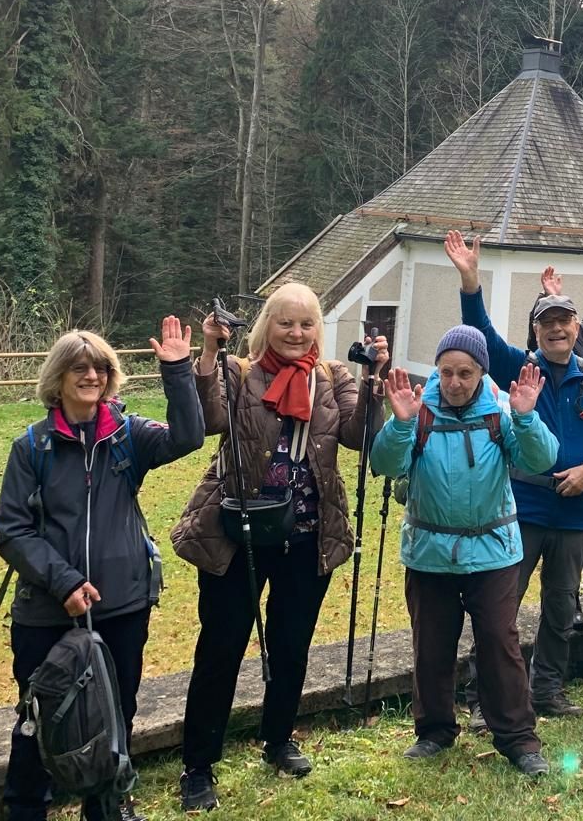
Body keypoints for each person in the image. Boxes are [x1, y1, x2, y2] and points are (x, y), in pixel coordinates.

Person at [172, 284, 387, 811]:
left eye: (306, 324)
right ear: (267, 325)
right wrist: (207, 353)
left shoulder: (333, 378)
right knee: (221, 649)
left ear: (318, 329)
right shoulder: (242, 373)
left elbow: (362, 436)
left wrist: (373, 381)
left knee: (292, 645)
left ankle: (278, 737)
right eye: (286, 323)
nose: (296, 334)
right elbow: (211, 420)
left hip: (309, 533)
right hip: (237, 534)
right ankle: (198, 764)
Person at [0, 320, 204, 821]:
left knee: (116, 709)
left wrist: (177, 370)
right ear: (59, 377)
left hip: (122, 603)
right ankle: (26, 807)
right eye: (78, 367)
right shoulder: (33, 447)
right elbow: (12, 530)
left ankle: (107, 803)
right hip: (47, 609)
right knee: (39, 711)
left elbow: (190, 437)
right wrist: (64, 581)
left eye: (100, 367)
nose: (90, 375)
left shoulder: (128, 437)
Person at [445, 230, 583, 717]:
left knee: (559, 609)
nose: (556, 330)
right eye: (546, 322)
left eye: (564, 322)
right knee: (499, 607)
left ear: (576, 328)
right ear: (536, 331)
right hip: (523, 508)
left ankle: (546, 691)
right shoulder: (516, 367)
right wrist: (470, 281)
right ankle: (482, 694)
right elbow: (481, 335)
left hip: (575, 514)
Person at [370, 333, 557, 777]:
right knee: (431, 646)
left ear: (481, 372)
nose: (454, 382)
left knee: (500, 642)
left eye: (465, 372)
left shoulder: (500, 410)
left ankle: (517, 739)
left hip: (492, 553)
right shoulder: (418, 411)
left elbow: (541, 460)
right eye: (447, 371)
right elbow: (384, 465)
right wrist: (399, 425)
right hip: (430, 553)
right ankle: (434, 730)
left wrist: (527, 417)